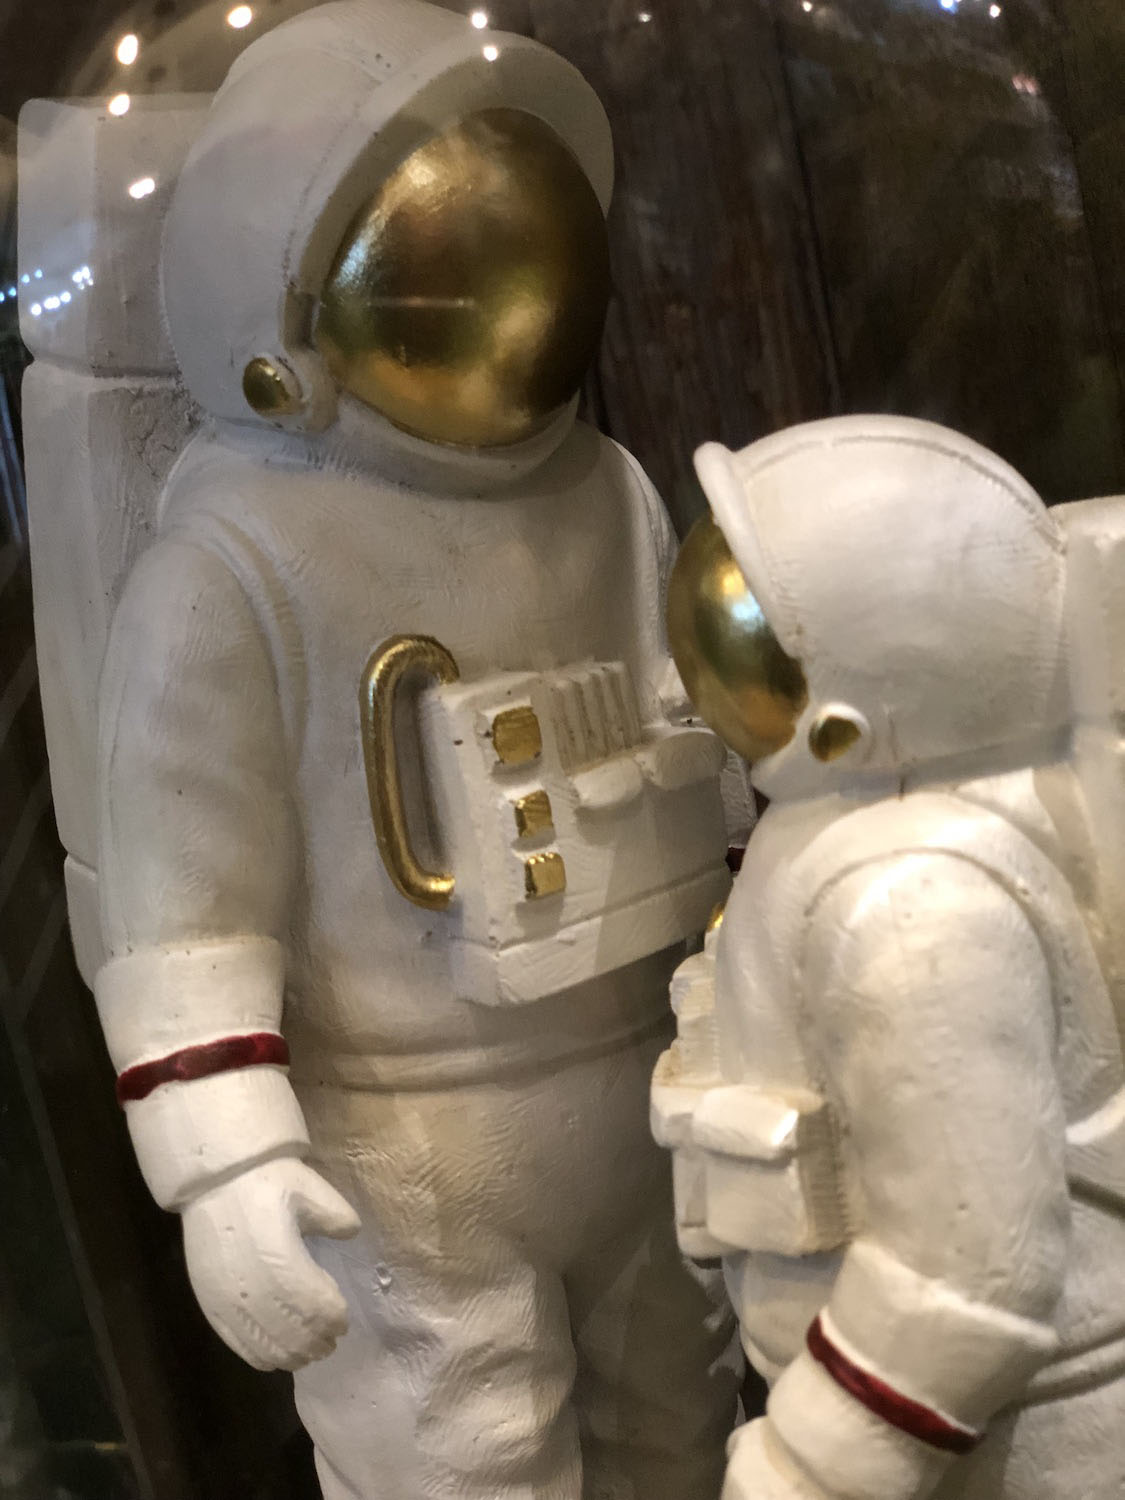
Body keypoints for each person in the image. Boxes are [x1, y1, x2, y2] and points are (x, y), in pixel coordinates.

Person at [88, 3, 741, 1496]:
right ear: (281, 312)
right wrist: (227, 1159)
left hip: (638, 1067)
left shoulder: (609, 495)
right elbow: (187, 900)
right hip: (401, 1131)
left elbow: (687, 734)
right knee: (462, 1462)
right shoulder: (236, 571)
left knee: (677, 1429)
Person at [656, 413, 1125, 1500]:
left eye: (746, 637)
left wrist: (809, 1465)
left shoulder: (914, 902)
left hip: (1007, 1431)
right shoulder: (854, 845)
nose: (704, 672)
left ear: (846, 718)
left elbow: (969, 1275)